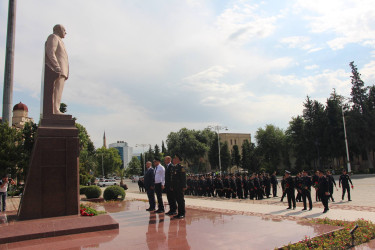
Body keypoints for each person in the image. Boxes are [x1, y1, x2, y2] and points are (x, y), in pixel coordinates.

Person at [44, 24, 69, 115]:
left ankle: (56, 109)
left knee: (58, 91)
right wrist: (56, 66)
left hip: (62, 71)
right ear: (58, 29)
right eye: (64, 30)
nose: (66, 32)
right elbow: (50, 51)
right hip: (57, 70)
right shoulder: (53, 37)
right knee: (55, 91)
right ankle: (55, 110)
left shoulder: (61, 41)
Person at [171, 154, 187, 219]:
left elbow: (183, 177)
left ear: (178, 159)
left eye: (175, 158)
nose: (174, 159)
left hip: (180, 186)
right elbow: (173, 178)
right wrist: (172, 186)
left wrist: (184, 186)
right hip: (175, 187)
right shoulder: (174, 167)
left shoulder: (181, 167)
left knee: (181, 200)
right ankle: (179, 213)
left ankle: (182, 213)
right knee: (177, 200)